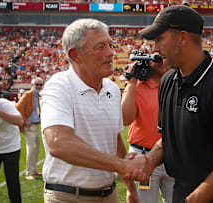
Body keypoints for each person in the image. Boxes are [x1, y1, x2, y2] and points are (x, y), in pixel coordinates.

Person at [129, 5, 213, 202]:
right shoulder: (167, 81)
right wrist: (148, 161)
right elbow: (167, 139)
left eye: (160, 39)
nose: (155, 49)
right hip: (182, 191)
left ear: (182, 38)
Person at [40, 18, 149, 203]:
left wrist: (131, 189)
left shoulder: (112, 89)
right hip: (69, 196)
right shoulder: (59, 86)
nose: (111, 53)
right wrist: (121, 165)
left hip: (109, 194)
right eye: (100, 47)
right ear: (75, 55)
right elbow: (59, 143)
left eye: (110, 45)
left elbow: (115, 142)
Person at [122, 53, 174, 203]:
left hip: (172, 155)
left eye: (165, 57)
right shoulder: (137, 87)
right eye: (157, 58)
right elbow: (125, 119)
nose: (162, 62)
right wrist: (131, 84)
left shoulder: (175, 84)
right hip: (143, 156)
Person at [16, 77, 44, 180]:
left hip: (36, 125)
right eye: (37, 84)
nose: (39, 86)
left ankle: (33, 169)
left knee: (36, 149)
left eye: (41, 85)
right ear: (32, 85)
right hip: (29, 126)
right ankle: (29, 173)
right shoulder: (28, 95)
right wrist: (24, 120)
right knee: (31, 148)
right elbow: (18, 107)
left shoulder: (38, 96)